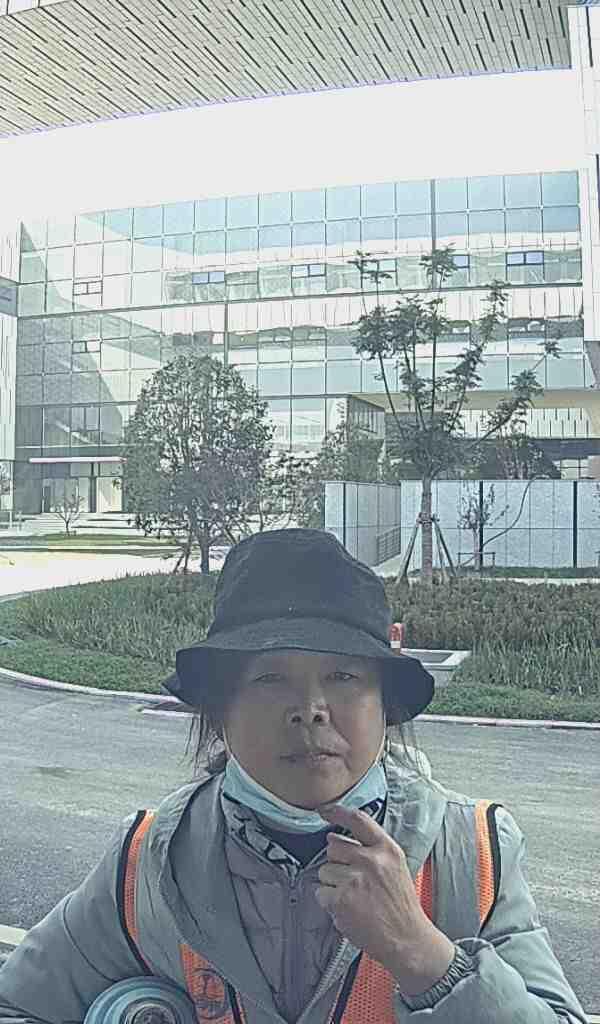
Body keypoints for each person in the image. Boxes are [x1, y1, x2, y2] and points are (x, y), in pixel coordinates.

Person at [0, 528, 588, 1024]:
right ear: (220, 710)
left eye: (343, 677)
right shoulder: (147, 863)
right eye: (270, 678)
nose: (309, 710)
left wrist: (424, 955)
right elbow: (19, 1003)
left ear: (386, 707)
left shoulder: (475, 854)